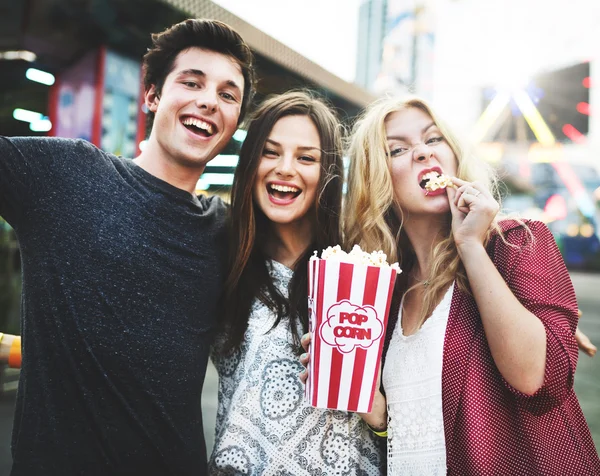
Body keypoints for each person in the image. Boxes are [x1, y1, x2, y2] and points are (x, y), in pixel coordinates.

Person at [0, 18, 254, 475]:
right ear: (152, 96)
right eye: (191, 82)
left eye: (227, 94)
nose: (207, 101)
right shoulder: (66, 174)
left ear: (234, 119)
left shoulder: (230, 232)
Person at [302, 96, 600, 475]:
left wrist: (470, 246)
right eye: (398, 149)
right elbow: (426, 427)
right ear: (378, 178)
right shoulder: (383, 292)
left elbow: (538, 381)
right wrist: (377, 415)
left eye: (433, 139)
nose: (423, 154)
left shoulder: (517, 242)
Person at [208, 91, 385, 475]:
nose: (285, 168)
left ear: (328, 173)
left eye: (306, 157)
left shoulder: (364, 269)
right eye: (270, 152)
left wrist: (381, 416)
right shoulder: (219, 260)